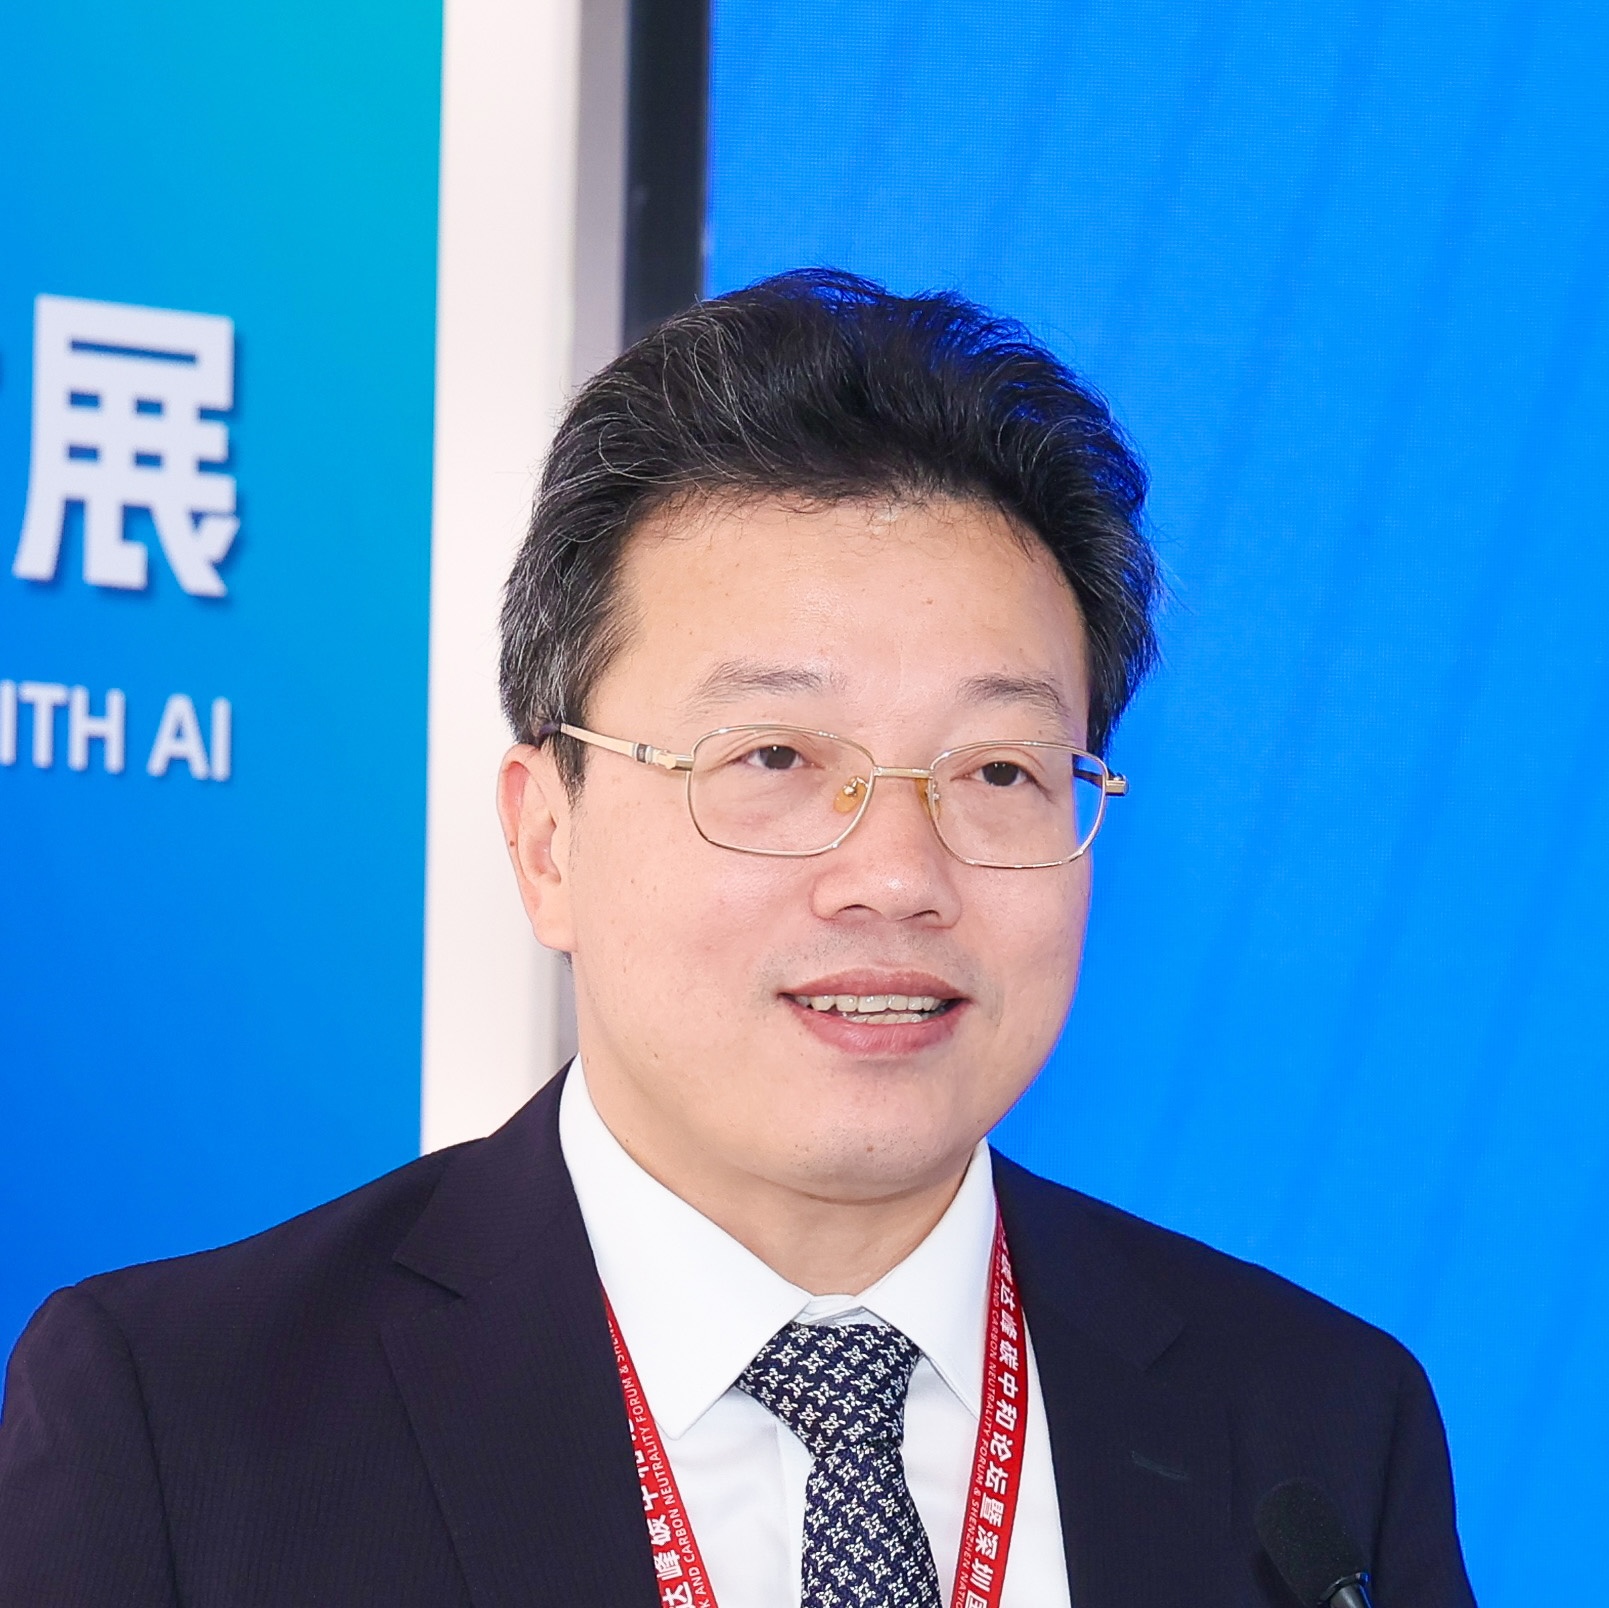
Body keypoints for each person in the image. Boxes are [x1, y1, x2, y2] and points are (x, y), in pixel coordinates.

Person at [0, 270, 1475, 1607]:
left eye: (996, 770)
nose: (895, 877)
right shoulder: (184, 1428)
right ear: (548, 838)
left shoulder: (1318, 1432)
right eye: (773, 758)